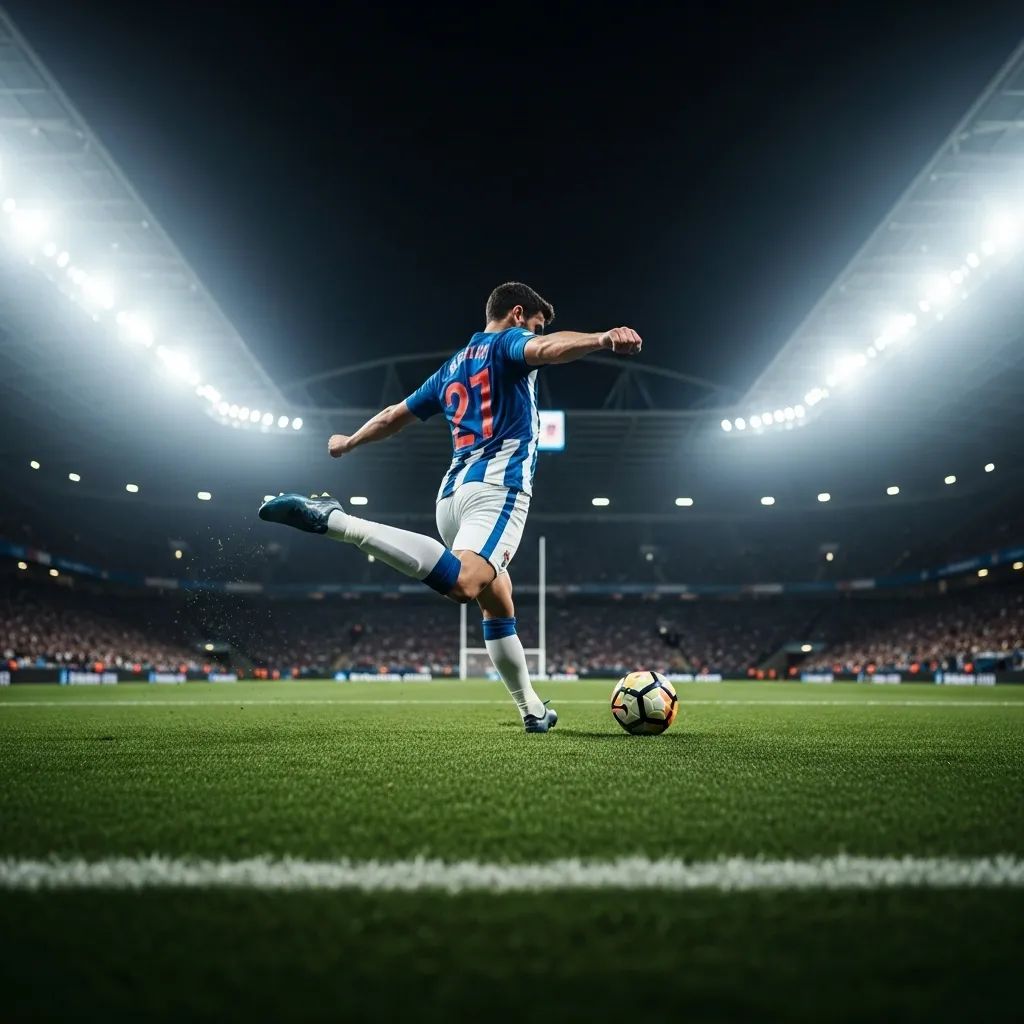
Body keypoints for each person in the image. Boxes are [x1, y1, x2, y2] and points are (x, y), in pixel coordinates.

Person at [259, 281, 642, 731]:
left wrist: (349, 442)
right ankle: (338, 521)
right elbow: (547, 350)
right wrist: (601, 338)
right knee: (464, 583)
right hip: (497, 490)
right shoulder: (508, 343)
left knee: (498, 603)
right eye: (535, 325)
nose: (534, 335)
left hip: (451, 499)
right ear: (518, 314)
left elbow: (393, 416)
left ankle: (533, 711)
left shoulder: (452, 367)